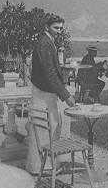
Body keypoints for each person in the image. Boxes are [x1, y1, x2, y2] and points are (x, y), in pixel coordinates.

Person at [26, 14, 76, 174]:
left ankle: (46, 166)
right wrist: (65, 95)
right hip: (43, 94)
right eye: (56, 28)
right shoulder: (44, 43)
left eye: (61, 28)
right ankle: (41, 167)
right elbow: (49, 73)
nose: (59, 31)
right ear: (47, 27)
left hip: (46, 92)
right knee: (44, 128)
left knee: (50, 127)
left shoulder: (48, 41)